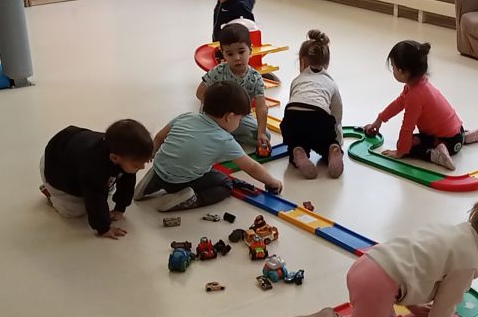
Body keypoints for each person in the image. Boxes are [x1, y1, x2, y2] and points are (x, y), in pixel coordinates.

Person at [278, 187, 478, 317]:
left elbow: (417, 266)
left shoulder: (455, 232)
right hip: (380, 283)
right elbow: (446, 302)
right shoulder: (468, 261)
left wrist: (414, 306)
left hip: (369, 264)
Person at [136, 82, 282, 212]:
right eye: (240, 119)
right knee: (225, 184)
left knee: (189, 165)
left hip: (159, 169)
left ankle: (153, 182)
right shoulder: (225, 140)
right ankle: (190, 199)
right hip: (180, 183)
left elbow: (159, 137)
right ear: (229, 117)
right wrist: (272, 182)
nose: (239, 123)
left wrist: (151, 152)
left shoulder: (186, 116)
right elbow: (252, 167)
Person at [362, 40, 478, 170]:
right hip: (458, 132)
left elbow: (407, 127)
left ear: (403, 72)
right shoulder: (420, 83)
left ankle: (436, 154)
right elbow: (399, 103)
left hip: (446, 142)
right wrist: (379, 120)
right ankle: (465, 137)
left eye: (393, 67)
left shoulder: (414, 96)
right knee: (449, 133)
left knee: (409, 144)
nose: (393, 70)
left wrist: (400, 151)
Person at [39, 120, 154, 239]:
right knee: (75, 211)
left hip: (72, 152)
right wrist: (103, 228)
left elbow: (127, 181)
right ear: (114, 158)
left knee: (106, 187)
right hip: (55, 165)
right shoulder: (94, 166)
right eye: (136, 165)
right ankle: (50, 191)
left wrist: (120, 208)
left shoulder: (123, 151)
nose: (142, 167)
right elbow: (95, 196)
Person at [280, 29, 344, 179]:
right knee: (325, 141)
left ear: (302, 62)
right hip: (319, 117)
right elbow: (337, 115)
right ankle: (332, 150)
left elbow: (292, 104)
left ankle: (298, 151)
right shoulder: (330, 83)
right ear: (327, 63)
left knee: (297, 140)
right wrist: (337, 140)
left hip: (293, 117)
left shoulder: (296, 81)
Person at [196, 24, 269, 154]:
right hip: (216, 117)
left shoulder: (255, 77)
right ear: (223, 54)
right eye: (230, 54)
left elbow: (261, 107)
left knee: (265, 136)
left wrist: (261, 132)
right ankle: (219, 135)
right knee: (204, 134)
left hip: (239, 118)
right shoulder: (219, 71)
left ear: (250, 51)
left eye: (241, 52)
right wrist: (216, 110)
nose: (237, 58)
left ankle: (225, 136)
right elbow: (200, 93)